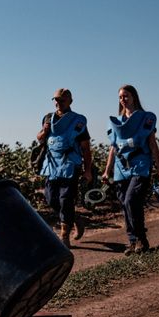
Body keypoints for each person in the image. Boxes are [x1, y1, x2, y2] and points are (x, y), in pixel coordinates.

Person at [102, 85, 159, 255]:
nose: (123, 99)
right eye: (121, 97)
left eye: (126, 95)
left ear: (134, 97)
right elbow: (113, 148)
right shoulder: (116, 122)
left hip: (140, 165)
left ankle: (140, 239)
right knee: (125, 204)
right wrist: (107, 171)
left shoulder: (145, 119)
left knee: (131, 200)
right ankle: (133, 241)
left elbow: (152, 144)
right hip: (121, 168)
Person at [36, 88, 93, 247]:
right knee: (50, 198)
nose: (57, 103)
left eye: (61, 100)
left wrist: (87, 169)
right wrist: (44, 130)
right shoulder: (48, 118)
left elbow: (86, 148)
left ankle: (64, 235)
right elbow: (40, 139)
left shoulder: (78, 121)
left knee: (65, 199)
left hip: (70, 164)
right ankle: (75, 218)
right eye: (55, 99)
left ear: (70, 101)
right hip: (52, 164)